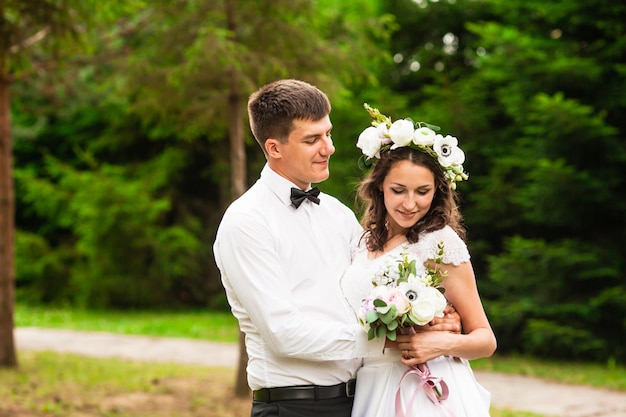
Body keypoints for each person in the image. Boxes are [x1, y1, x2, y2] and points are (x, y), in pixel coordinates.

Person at [213, 79, 461, 417]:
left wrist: (433, 320)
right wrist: (388, 342)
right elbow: (284, 334)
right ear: (274, 148)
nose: (328, 148)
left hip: (361, 399)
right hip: (293, 406)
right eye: (312, 139)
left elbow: (371, 291)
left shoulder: (337, 213)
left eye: (328, 134)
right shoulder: (246, 222)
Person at [341, 106, 497, 417]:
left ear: (437, 192)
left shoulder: (439, 243)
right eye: (398, 190)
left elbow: (485, 339)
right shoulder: (360, 239)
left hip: (422, 390)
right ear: (379, 187)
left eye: (422, 192)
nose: (410, 204)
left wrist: (441, 343)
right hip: (369, 384)